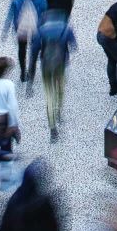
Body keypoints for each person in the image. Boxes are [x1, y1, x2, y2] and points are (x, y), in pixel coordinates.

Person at [35, 8, 77, 143]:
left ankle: (52, 128)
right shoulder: (66, 28)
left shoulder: (41, 29)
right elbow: (74, 46)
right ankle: (58, 111)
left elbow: (34, 49)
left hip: (46, 65)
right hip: (61, 64)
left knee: (49, 94)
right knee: (60, 90)